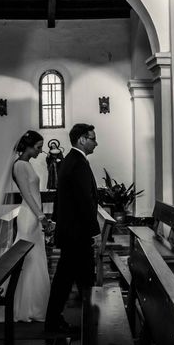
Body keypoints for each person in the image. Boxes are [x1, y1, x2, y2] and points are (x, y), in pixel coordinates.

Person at [45, 123, 100, 332]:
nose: (96, 142)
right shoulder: (77, 163)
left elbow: (60, 197)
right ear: (82, 140)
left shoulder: (71, 160)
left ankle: (89, 318)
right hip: (77, 235)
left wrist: (57, 221)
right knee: (69, 279)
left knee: (79, 277)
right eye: (93, 138)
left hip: (71, 233)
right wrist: (95, 231)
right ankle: (60, 322)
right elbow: (85, 201)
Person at [12, 130, 51, 321]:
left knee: (36, 259)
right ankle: (26, 308)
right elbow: (27, 195)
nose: (40, 151)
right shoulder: (20, 165)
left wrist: (40, 217)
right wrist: (41, 216)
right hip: (29, 217)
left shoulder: (27, 164)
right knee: (29, 261)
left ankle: (36, 305)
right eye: (38, 147)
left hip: (34, 216)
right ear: (27, 146)